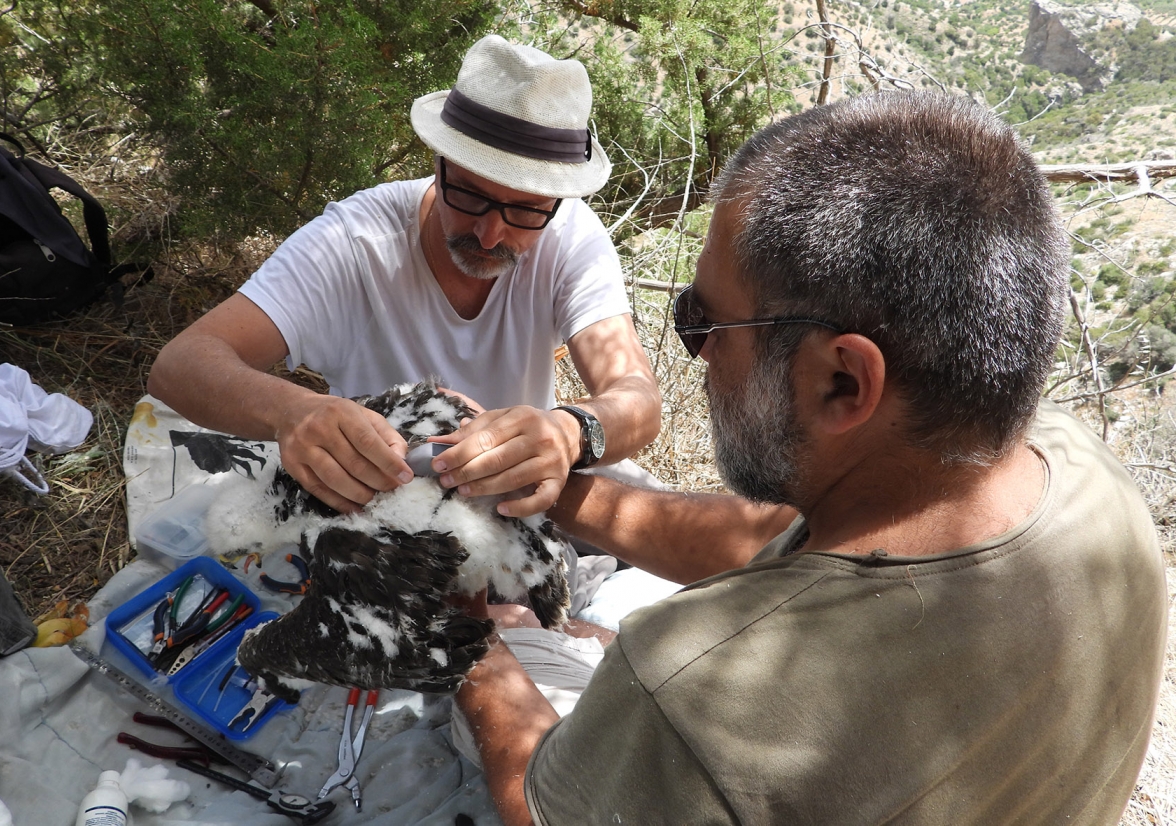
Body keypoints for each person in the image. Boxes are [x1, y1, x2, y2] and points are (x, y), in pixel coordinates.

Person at [454, 91, 1168, 825]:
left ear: (842, 381)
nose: (698, 356)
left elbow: (537, 810)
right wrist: (561, 495)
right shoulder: (1076, 466)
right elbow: (779, 542)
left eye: (705, 323)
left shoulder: (694, 693)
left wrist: (468, 634)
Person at [147, 35, 661, 519]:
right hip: (376, 511)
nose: (489, 235)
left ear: (556, 202)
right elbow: (180, 365)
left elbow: (637, 397)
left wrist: (570, 432)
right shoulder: (353, 243)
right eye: (470, 195)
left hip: (511, 502)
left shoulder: (570, 235)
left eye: (526, 210)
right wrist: (291, 411)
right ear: (439, 163)